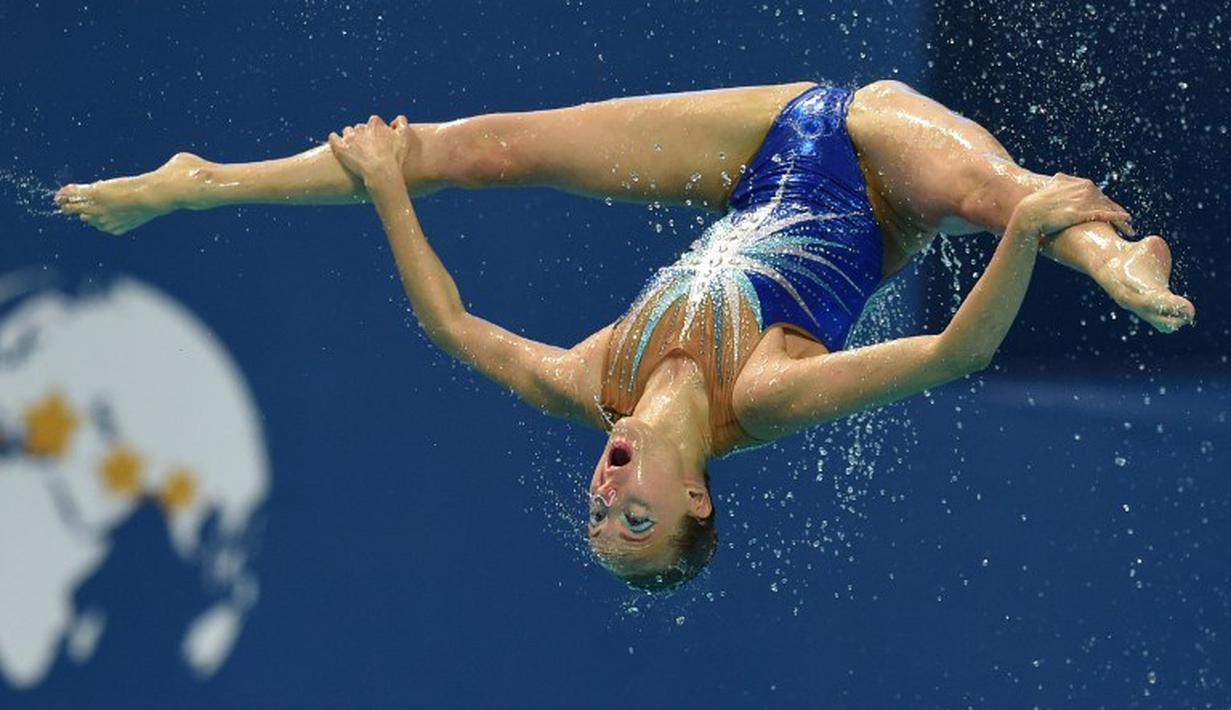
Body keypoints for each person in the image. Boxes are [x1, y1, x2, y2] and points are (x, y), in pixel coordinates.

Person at [54, 81, 1195, 590]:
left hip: (758, 149)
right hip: (884, 172)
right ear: (696, 496)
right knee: (1000, 191)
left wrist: (388, 185)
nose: (609, 499)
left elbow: (455, 326)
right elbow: (955, 356)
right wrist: (1020, 245)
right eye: (636, 519)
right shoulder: (772, 396)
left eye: (601, 518)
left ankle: (198, 181)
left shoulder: (593, 382)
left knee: (474, 149)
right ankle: (1111, 253)